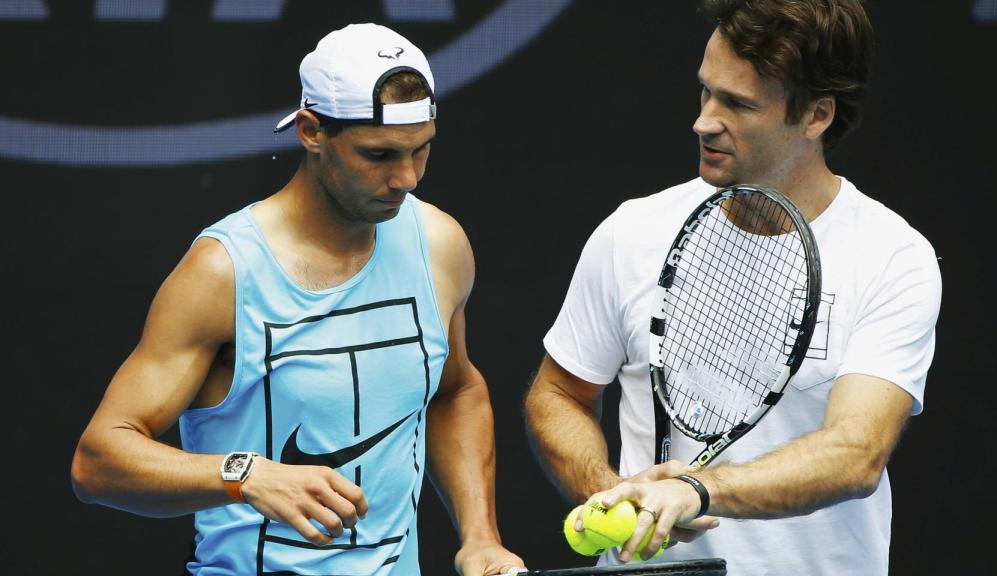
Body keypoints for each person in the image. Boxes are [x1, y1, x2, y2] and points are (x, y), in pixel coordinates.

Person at [71, 23, 524, 576]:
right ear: (311, 132)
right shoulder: (222, 272)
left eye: (421, 151)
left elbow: (454, 392)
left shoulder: (439, 244)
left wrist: (479, 537)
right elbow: (97, 461)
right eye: (378, 155)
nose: (405, 178)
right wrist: (247, 474)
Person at [525, 1, 941, 574]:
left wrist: (697, 490)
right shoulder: (632, 231)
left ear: (817, 115)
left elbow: (856, 452)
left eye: (738, 104)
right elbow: (559, 395)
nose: (704, 121)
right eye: (706, 92)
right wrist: (613, 489)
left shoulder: (893, 257)